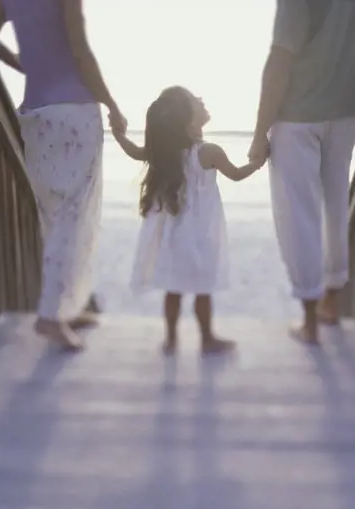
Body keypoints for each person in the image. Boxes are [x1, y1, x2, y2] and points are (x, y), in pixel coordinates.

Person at [0, 0, 127, 350]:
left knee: (52, 214)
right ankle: (51, 316)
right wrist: (111, 104)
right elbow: (80, 52)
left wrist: (31, 68)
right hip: (74, 110)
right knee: (75, 216)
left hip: (35, 112)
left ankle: (65, 307)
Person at [249, 0, 355, 345]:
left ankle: (310, 319)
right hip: (345, 112)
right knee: (335, 208)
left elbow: (281, 58)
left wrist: (259, 134)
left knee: (299, 214)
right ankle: (330, 299)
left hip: (297, 115)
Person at [110, 86, 265, 355]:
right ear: (188, 119)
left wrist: (118, 134)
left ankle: (171, 339)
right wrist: (260, 160)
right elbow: (238, 174)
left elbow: (134, 151)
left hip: (173, 235)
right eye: (196, 100)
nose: (202, 99)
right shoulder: (208, 152)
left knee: (174, 288)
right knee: (202, 287)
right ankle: (206, 338)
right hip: (201, 233)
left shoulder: (164, 153)